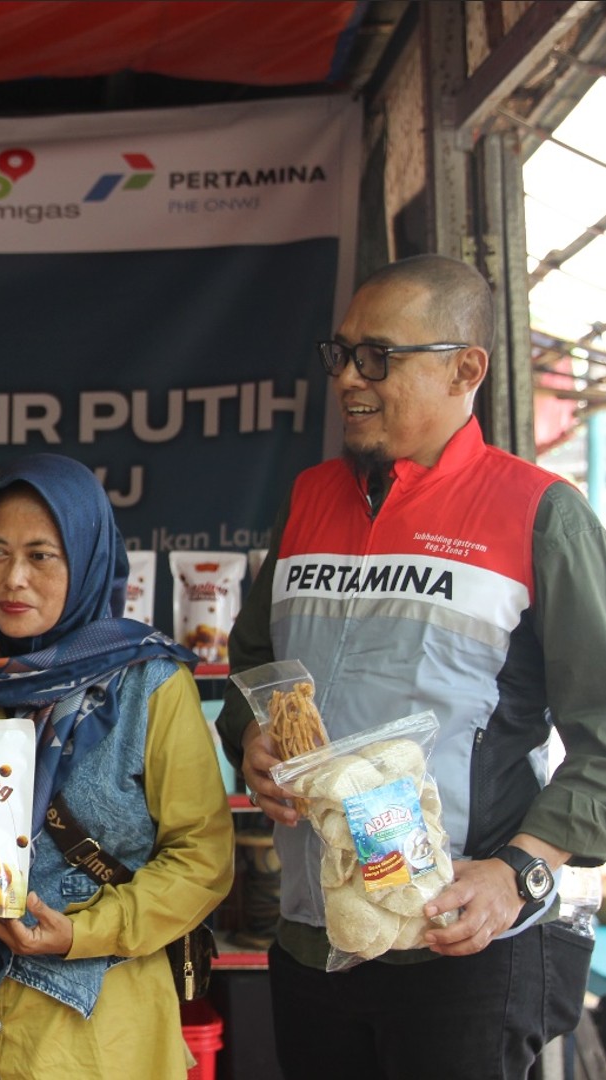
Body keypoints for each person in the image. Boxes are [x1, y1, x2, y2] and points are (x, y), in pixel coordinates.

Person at [217, 253, 606, 1079]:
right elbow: (253, 662)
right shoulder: (309, 497)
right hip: (313, 935)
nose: (347, 378)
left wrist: (519, 871)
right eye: (341, 353)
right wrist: (252, 735)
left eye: (377, 357)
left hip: (459, 942)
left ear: (465, 370)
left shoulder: (539, 512)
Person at [0, 453, 235, 1078]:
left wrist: (83, 933)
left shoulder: (147, 684)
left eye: (41, 555)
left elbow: (202, 858)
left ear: (86, 561)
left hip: (91, 1043)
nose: (13, 578)